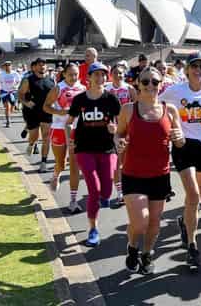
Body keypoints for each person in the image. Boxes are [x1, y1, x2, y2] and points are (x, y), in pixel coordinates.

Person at [159, 51, 201, 271]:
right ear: (186, 70)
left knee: (198, 193)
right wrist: (172, 128)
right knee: (194, 195)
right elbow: (158, 107)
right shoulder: (176, 90)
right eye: (194, 66)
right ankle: (192, 246)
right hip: (183, 145)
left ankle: (184, 222)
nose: (198, 70)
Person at [117, 66, 185, 274]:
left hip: (160, 175)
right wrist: (118, 142)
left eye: (155, 82)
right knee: (140, 222)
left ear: (161, 83)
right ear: (137, 83)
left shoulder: (170, 110)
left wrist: (180, 139)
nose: (150, 86)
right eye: (145, 81)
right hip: (133, 174)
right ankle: (132, 247)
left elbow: (180, 139)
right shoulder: (128, 109)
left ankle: (146, 254)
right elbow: (119, 134)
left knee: (155, 223)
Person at [66, 62, 121, 247]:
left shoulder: (112, 99)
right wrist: (69, 140)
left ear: (107, 78)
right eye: (96, 75)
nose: (100, 78)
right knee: (94, 189)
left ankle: (104, 198)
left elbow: (122, 125)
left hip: (107, 149)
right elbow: (69, 121)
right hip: (84, 148)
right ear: (88, 78)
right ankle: (93, 229)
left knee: (107, 189)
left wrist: (116, 130)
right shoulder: (80, 99)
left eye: (103, 75)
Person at [42, 63, 86, 213]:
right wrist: (60, 112)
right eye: (71, 74)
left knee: (75, 165)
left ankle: (73, 201)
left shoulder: (83, 89)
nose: (74, 77)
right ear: (64, 74)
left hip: (76, 130)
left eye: (76, 74)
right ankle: (56, 174)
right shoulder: (58, 88)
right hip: (59, 129)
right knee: (61, 164)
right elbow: (46, 106)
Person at [106, 63, 137, 205]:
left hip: (127, 129)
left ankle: (131, 188)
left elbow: (138, 107)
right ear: (111, 74)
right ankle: (120, 193)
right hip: (110, 130)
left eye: (121, 73)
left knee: (127, 161)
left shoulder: (129, 89)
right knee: (117, 163)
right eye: (116, 73)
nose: (119, 75)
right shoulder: (106, 89)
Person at [18, 58, 55, 172]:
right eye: (39, 65)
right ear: (34, 67)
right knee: (34, 137)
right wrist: (26, 103)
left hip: (46, 112)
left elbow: (55, 95)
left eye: (44, 65)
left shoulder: (51, 80)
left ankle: (43, 162)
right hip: (32, 112)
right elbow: (20, 94)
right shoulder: (28, 80)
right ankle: (31, 144)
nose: (42, 67)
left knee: (46, 137)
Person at [0, 61, 21, 127]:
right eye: (6, 65)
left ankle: (8, 115)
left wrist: (16, 86)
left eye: (9, 65)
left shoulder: (15, 73)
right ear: (4, 66)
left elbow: (19, 81)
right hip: (5, 92)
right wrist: (0, 90)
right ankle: (8, 121)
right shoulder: (1, 74)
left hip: (13, 92)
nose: (8, 67)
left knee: (12, 108)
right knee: (7, 107)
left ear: (11, 66)